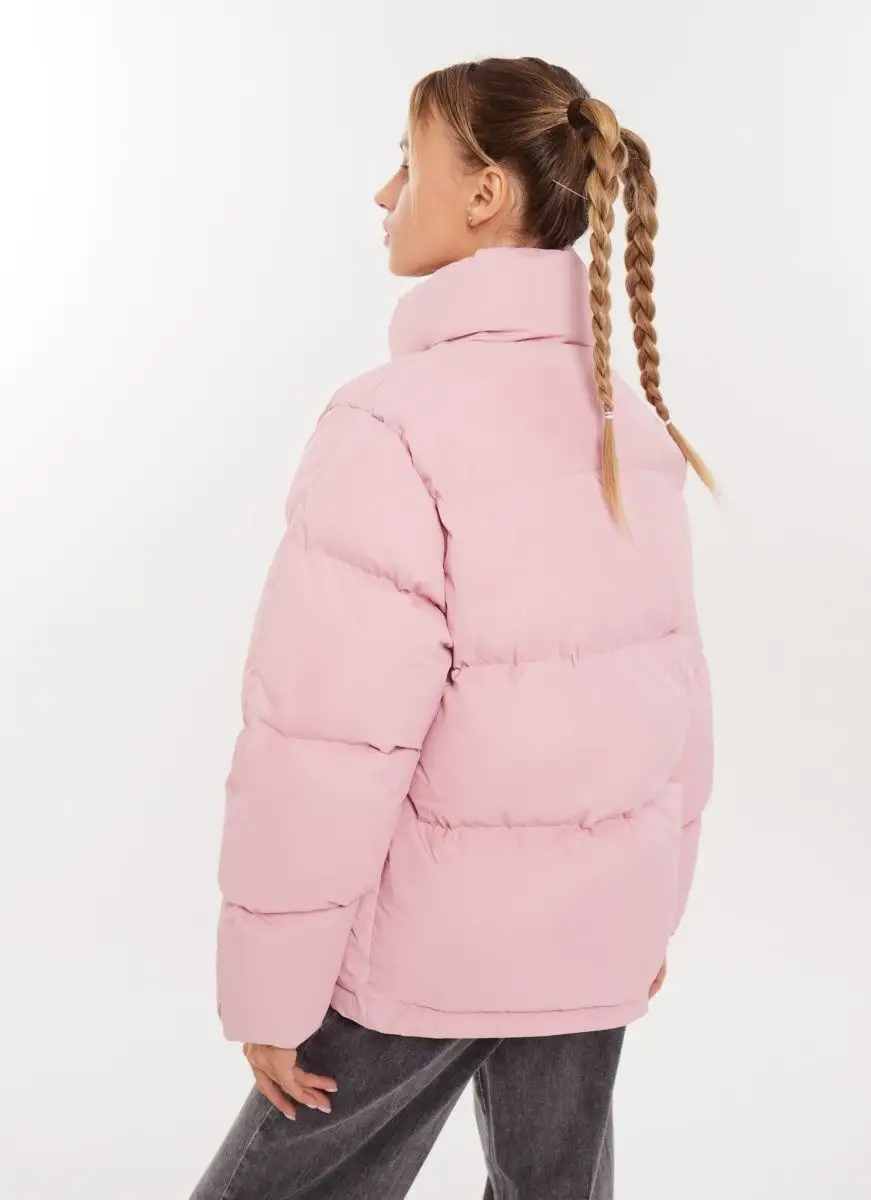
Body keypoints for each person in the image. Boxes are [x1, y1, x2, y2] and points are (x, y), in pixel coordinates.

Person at [190, 55, 714, 1200]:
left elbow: (325, 744)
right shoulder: (627, 428)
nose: (385, 193)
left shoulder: (391, 428)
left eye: (406, 160)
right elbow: (679, 709)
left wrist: (273, 989)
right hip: (591, 942)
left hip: (425, 955)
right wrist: (647, 919)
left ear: (484, 193)